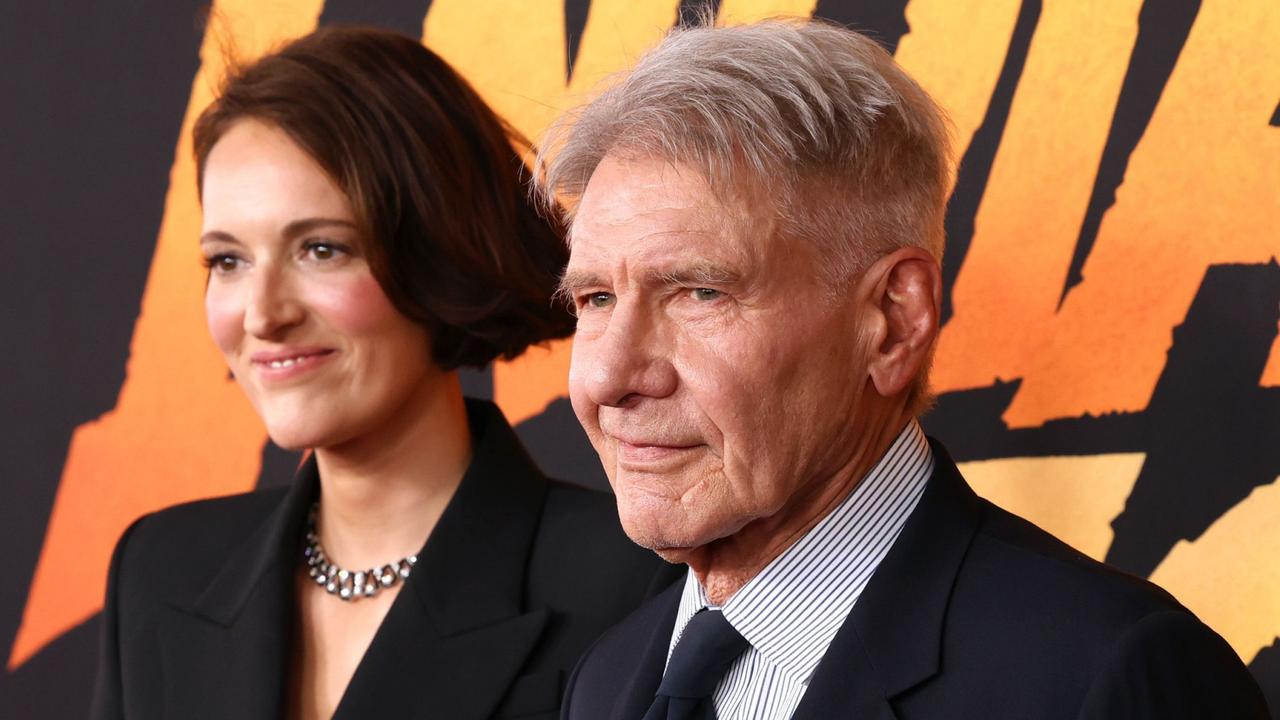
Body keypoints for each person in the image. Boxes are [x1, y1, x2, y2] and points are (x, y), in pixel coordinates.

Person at [534, 18, 1269, 720]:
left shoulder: (1104, 679)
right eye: (595, 298)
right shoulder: (611, 679)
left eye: (700, 292)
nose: (608, 378)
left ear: (892, 321)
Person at [91, 26, 677, 720]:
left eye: (319, 249)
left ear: (438, 254)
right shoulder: (161, 572)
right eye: (227, 260)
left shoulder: (637, 584)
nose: (261, 315)